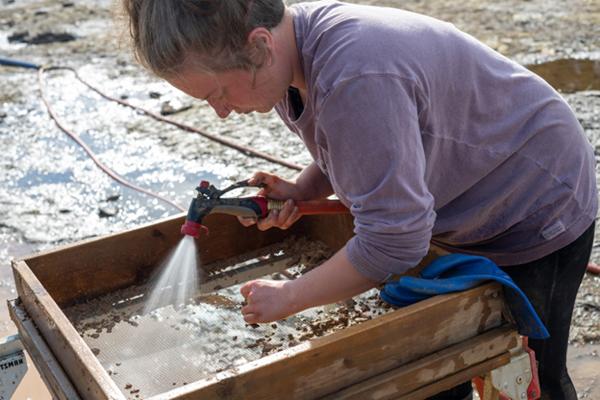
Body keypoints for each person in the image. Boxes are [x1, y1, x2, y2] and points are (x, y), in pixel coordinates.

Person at [122, 1, 597, 398]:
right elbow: (363, 143)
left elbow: (395, 241)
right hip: (458, 194)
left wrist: (290, 296)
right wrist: (305, 188)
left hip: (534, 197)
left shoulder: (355, 75)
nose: (221, 113)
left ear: (260, 45)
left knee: (530, 371)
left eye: (218, 93)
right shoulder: (292, 55)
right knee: (440, 364)